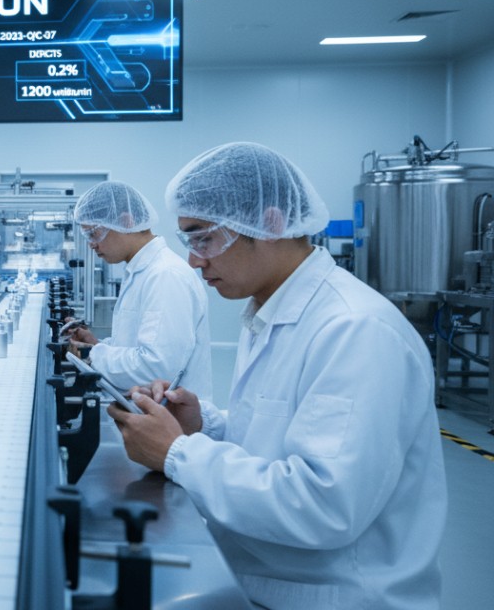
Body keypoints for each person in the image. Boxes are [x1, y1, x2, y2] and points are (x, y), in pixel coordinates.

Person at [108, 142, 446, 610]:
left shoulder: (355, 329)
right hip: (270, 584)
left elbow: (323, 506)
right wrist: (202, 425)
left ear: (268, 223)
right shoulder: (269, 313)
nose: (194, 260)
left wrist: (177, 453)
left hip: (338, 599)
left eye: (203, 239)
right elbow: (277, 440)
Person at [64, 181, 211, 397]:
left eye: (94, 234)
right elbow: (136, 345)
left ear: (126, 221)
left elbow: (156, 368)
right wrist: (97, 344)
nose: (91, 244)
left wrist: (93, 355)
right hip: (142, 410)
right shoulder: (141, 271)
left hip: (169, 415)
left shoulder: (165, 275)